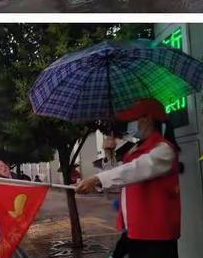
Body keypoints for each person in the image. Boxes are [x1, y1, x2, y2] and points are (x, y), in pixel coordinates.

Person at [76, 98, 181, 258]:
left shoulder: (164, 149)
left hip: (156, 234)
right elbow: (121, 175)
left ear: (147, 119)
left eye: (133, 119)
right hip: (135, 228)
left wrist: (97, 179)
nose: (130, 125)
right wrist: (109, 153)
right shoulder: (136, 148)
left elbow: (135, 170)